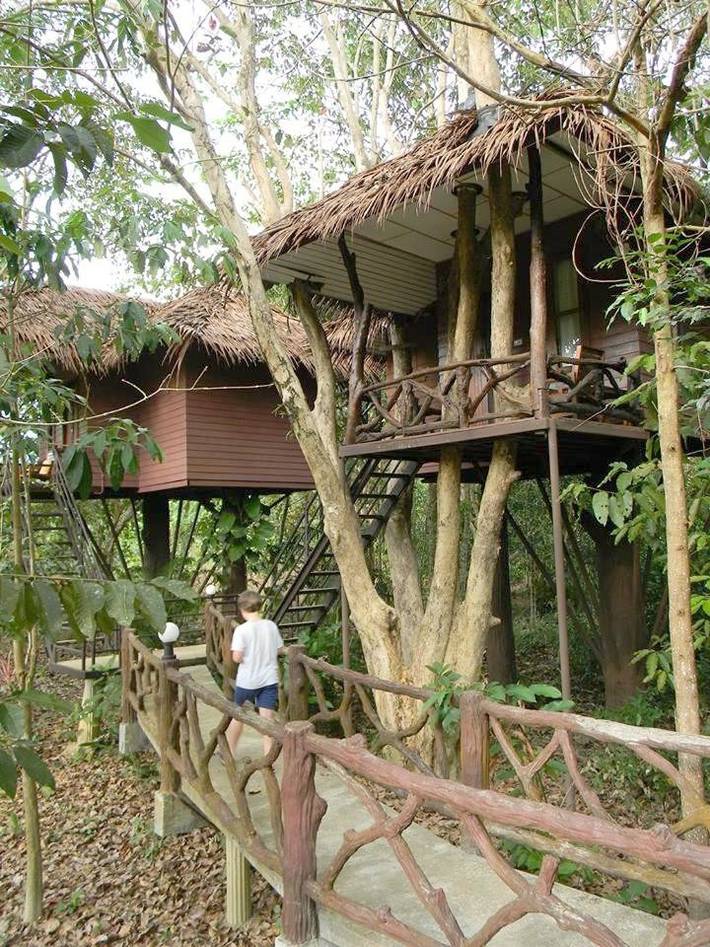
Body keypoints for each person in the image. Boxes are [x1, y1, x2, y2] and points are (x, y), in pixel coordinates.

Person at [225, 589, 283, 757]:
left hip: (248, 681)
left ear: (241, 610)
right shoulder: (271, 626)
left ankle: (228, 752)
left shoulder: (242, 630)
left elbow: (236, 657)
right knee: (267, 722)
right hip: (269, 680)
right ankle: (268, 759)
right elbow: (279, 649)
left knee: (239, 716)